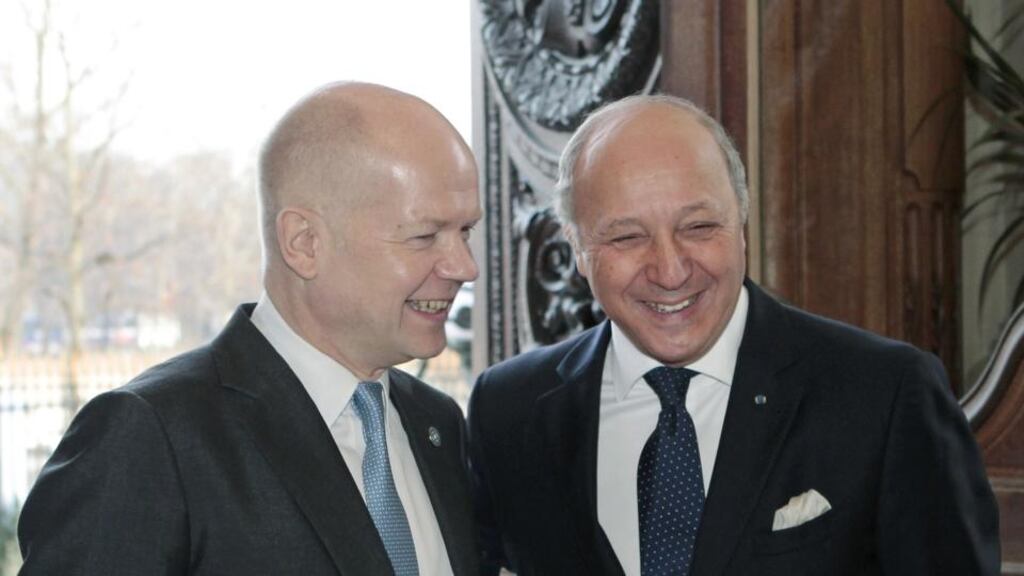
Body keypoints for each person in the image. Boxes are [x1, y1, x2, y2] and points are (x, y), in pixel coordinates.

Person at [468, 94, 1000, 575]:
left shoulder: (884, 394)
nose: (671, 270)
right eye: (627, 237)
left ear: (742, 223)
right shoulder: (509, 410)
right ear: (578, 250)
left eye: (699, 228)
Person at [19, 82, 482, 575]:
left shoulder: (436, 422)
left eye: (466, 231)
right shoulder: (152, 437)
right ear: (304, 243)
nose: (464, 266)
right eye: (424, 235)